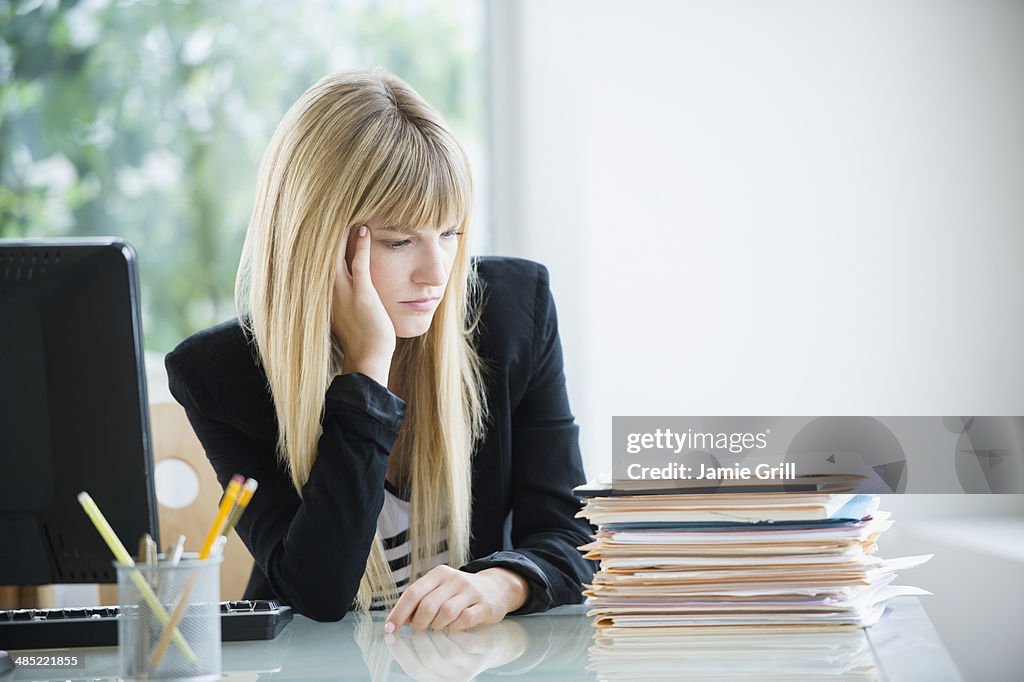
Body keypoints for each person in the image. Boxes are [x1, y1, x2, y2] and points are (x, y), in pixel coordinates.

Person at [165, 68, 595, 633]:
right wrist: (367, 368)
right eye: (398, 241)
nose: (436, 274)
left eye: (449, 233)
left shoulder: (514, 312)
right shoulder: (221, 375)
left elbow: (574, 534)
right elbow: (318, 592)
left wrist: (501, 582)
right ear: (316, 240)